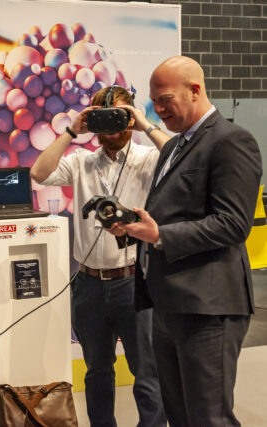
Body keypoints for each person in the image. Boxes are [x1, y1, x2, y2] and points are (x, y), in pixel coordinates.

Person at [117, 56, 262, 426]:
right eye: (154, 101)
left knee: (208, 416)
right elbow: (174, 213)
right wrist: (133, 226)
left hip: (208, 309)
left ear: (195, 90)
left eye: (165, 98)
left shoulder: (231, 141)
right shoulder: (173, 147)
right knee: (179, 414)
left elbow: (232, 224)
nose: (158, 108)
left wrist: (161, 235)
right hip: (169, 303)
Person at [31, 86, 168, 427]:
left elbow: (181, 156)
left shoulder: (147, 159)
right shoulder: (81, 162)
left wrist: (145, 125)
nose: (112, 127)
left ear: (130, 118)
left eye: (119, 117)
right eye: (102, 118)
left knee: (147, 372)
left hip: (134, 280)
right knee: (97, 371)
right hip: (89, 284)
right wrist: (72, 130)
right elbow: (38, 173)